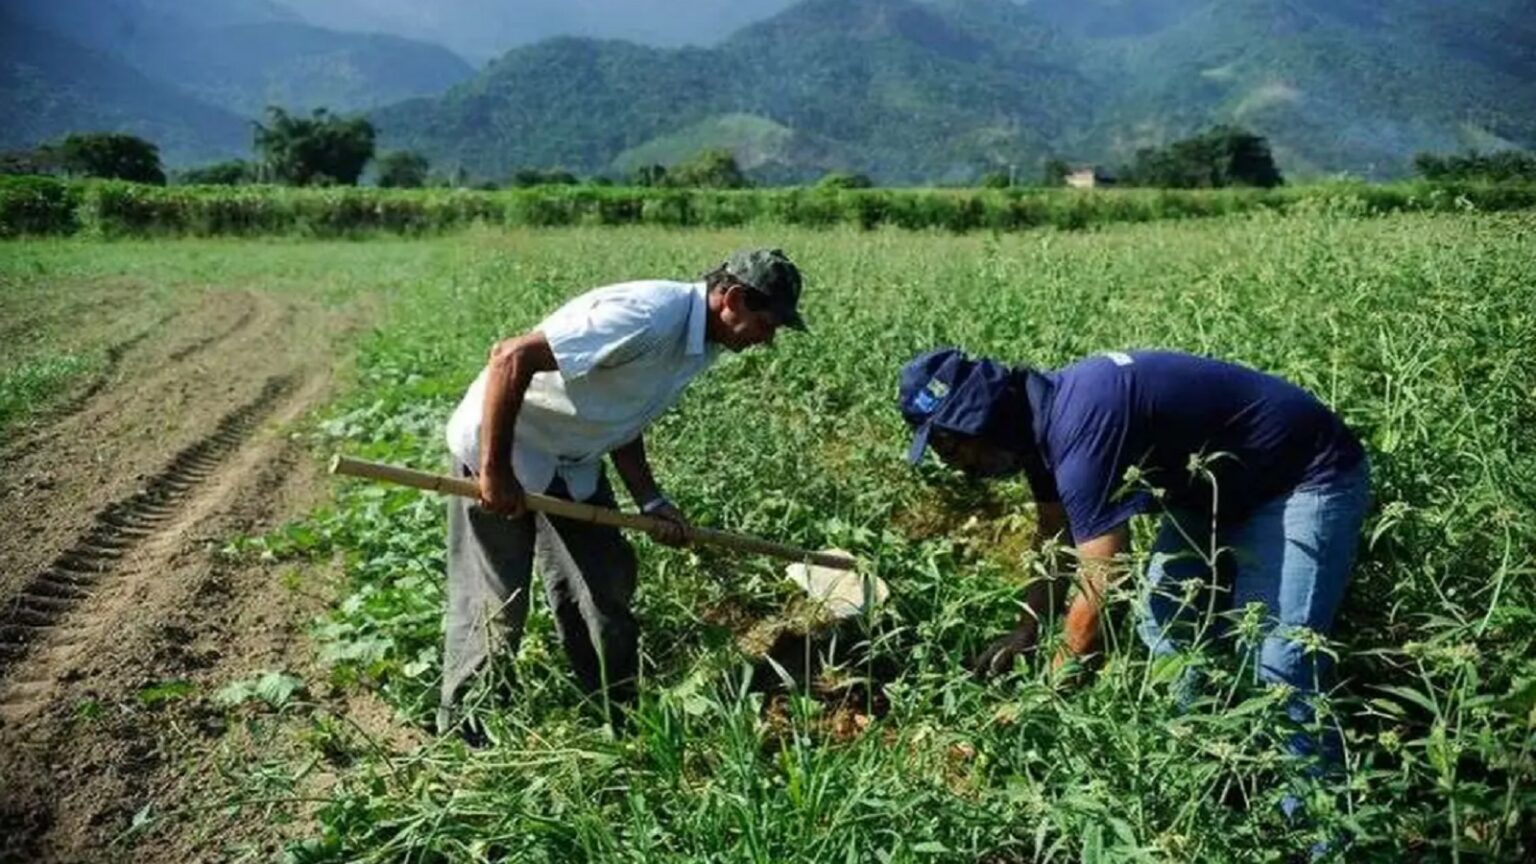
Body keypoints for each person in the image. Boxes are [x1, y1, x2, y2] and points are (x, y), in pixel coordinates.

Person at [897, 347, 1369, 779]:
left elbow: (1101, 587)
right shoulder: (1035, 428)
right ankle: (1202, 772)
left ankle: (1318, 831)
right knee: (1166, 624)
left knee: (1279, 662)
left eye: (948, 446)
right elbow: (1054, 537)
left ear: (979, 420)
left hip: (1303, 478)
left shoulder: (1081, 425)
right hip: (1211, 492)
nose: (952, 464)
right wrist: (1027, 629)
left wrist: (1040, 699)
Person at [439, 248, 806, 736]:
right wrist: (494, 469)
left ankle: (616, 716)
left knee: (603, 584)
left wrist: (651, 500)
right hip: (505, 447)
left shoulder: (701, 344)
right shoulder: (648, 316)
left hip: (571, 460)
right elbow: (511, 356)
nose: (768, 340)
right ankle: (465, 733)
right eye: (769, 324)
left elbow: (624, 412)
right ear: (734, 299)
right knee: (496, 603)